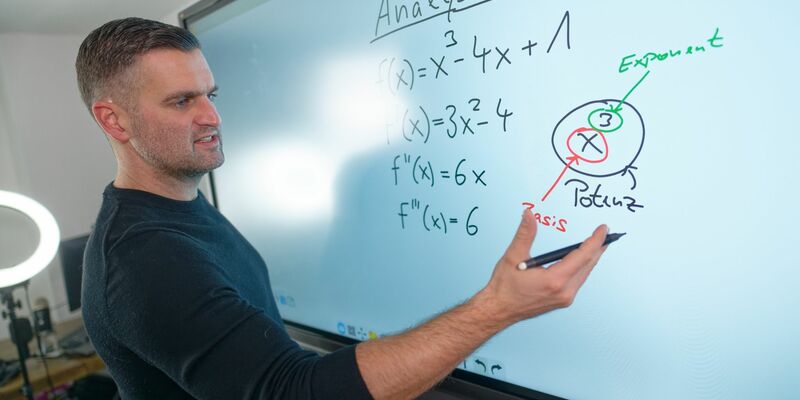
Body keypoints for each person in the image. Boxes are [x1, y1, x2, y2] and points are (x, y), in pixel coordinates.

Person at [77, 17, 609, 400]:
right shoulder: (145, 259)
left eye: (210, 93)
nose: (212, 115)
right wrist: (496, 307)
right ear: (113, 121)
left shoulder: (181, 201)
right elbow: (290, 391)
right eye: (181, 101)